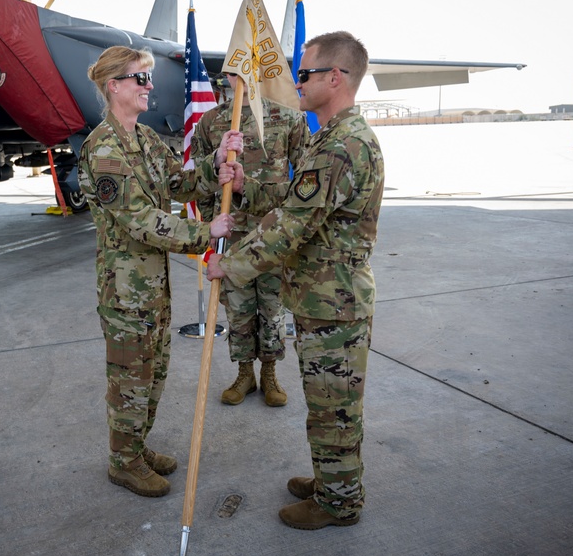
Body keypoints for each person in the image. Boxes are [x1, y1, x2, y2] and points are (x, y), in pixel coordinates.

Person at [208, 31, 383, 530]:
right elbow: (294, 199)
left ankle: (339, 503)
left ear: (336, 78)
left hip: (334, 304)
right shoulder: (333, 138)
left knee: (334, 408)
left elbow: (289, 228)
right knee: (330, 402)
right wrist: (248, 185)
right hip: (323, 298)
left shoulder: (342, 145)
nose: (295, 82)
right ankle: (334, 480)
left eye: (303, 74)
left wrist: (231, 264)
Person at [78, 45, 242, 498]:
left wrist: (216, 163)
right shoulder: (105, 149)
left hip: (152, 286)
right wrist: (206, 231)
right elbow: (141, 220)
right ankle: (123, 461)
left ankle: (136, 445)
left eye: (149, 78)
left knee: (153, 373)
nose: (150, 86)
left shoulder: (145, 140)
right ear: (114, 86)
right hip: (126, 292)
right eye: (141, 79)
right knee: (130, 378)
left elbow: (179, 181)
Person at [192, 72, 309, 407]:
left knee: (272, 308)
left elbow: (303, 179)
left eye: (247, 67)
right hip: (233, 233)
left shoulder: (288, 117)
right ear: (226, 74)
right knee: (239, 310)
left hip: (273, 232)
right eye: (233, 69)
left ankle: (270, 373)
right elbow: (200, 178)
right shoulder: (212, 121)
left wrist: (287, 220)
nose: (239, 76)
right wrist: (210, 220)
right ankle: (245, 373)